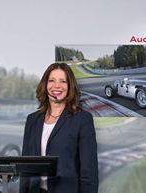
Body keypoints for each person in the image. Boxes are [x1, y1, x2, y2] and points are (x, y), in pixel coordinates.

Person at [20, 63, 98, 193]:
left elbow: (88, 171)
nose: (56, 86)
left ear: (70, 87)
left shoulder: (82, 119)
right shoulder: (32, 120)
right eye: (51, 80)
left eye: (63, 81)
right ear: (45, 85)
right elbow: (25, 169)